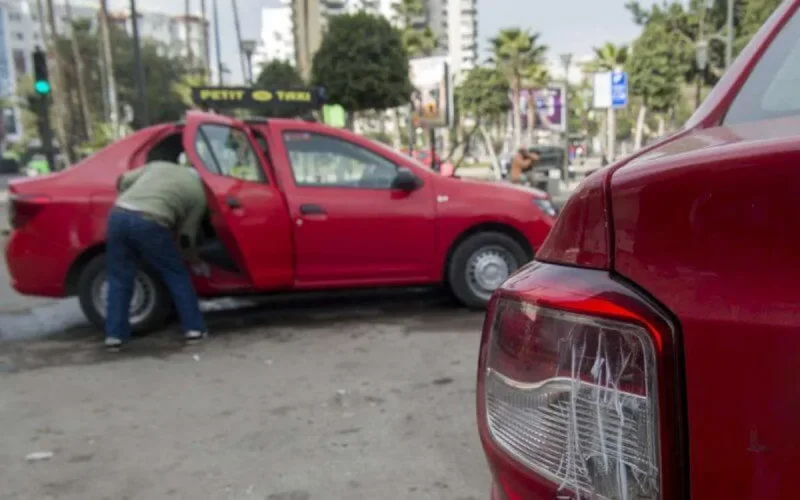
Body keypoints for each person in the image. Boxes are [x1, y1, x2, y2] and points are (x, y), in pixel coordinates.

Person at [104, 161, 208, 351]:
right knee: (176, 274)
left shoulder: (159, 166)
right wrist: (194, 260)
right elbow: (186, 236)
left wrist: (129, 198)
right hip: (151, 222)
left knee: (119, 278)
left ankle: (114, 336)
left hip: (118, 215)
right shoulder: (198, 194)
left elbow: (123, 180)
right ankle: (194, 329)